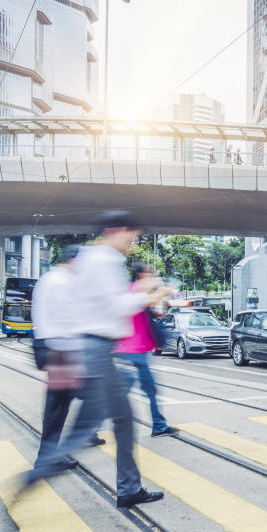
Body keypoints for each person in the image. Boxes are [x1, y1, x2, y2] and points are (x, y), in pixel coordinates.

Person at [25, 211, 171, 509]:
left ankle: (129, 488)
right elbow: (116, 307)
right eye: (133, 234)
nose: (134, 240)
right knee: (85, 429)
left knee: (121, 420)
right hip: (96, 351)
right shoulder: (106, 261)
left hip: (92, 350)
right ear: (117, 230)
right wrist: (148, 295)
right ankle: (36, 474)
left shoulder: (92, 259)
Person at [31, 245, 88, 472]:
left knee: (58, 405)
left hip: (52, 347)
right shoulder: (64, 282)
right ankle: (49, 456)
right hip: (63, 351)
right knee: (75, 401)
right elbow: (70, 320)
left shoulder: (47, 279)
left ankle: (49, 454)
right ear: (74, 261)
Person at [115, 264, 179, 438]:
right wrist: (164, 290)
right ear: (141, 275)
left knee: (147, 390)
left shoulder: (133, 291)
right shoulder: (135, 290)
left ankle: (159, 424)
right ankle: (158, 425)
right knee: (126, 393)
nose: (152, 277)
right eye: (150, 274)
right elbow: (148, 300)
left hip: (135, 351)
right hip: (133, 351)